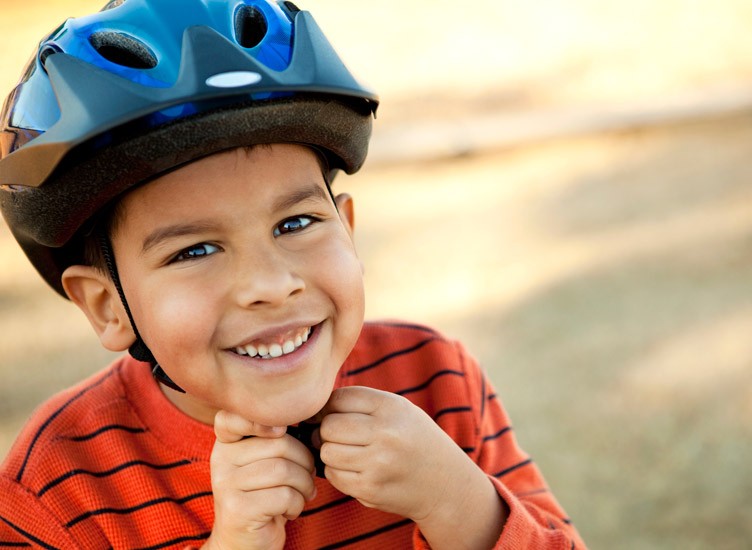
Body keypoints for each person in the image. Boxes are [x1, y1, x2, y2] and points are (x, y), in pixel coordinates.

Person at [0, 1, 585, 548]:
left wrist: (458, 500)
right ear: (107, 305)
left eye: (296, 222)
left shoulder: (436, 379)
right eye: (196, 251)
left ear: (348, 231)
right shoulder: (57, 483)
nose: (271, 285)